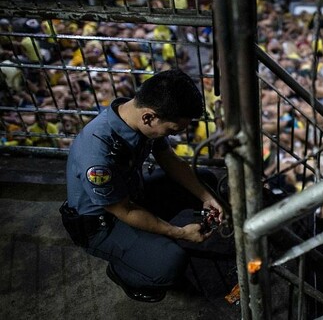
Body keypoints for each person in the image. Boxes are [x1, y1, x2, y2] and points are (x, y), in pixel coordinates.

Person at [62, 69, 223, 302]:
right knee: (170, 263)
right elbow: (124, 210)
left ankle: (149, 242)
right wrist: (179, 233)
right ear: (149, 117)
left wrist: (206, 196)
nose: (179, 134)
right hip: (102, 224)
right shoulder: (97, 154)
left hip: (132, 193)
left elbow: (167, 157)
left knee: (205, 181)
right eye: (173, 130)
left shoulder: (138, 117)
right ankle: (124, 272)